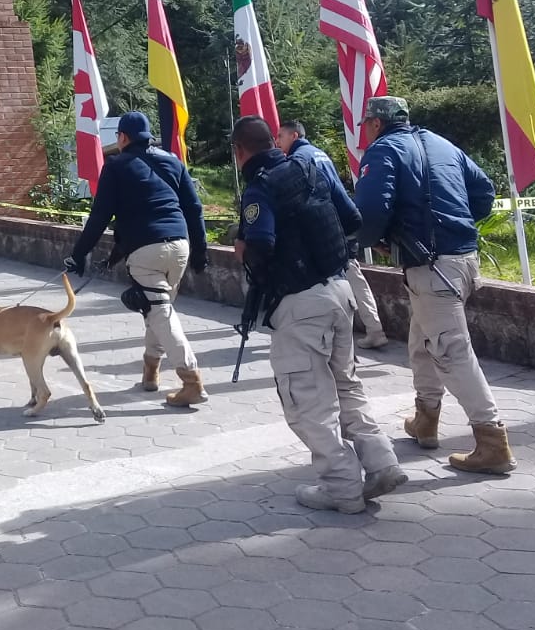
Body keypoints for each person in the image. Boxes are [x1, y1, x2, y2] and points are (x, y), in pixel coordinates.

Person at [232, 115, 406, 513]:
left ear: (240, 151)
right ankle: (381, 463)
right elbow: (353, 220)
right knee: (346, 386)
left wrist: (246, 253)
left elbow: (259, 243)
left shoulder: (260, 188)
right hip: (339, 291)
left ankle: (341, 487)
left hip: (299, 305)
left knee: (308, 402)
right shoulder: (312, 167)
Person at [354, 96, 514, 475]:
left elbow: (372, 210)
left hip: (431, 265)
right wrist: (454, 224)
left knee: (450, 351)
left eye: (365, 125)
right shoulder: (442, 143)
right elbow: (484, 193)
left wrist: (364, 240)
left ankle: (492, 440)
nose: (363, 131)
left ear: (376, 124)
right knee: (421, 341)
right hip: (461, 259)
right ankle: (426, 419)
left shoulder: (383, 150)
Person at [64, 111, 209, 407]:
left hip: (145, 253)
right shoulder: (172, 161)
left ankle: (192, 381)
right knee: (158, 311)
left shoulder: (116, 165)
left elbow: (99, 217)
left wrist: (79, 255)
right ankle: (150, 372)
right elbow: (194, 209)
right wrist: (201, 253)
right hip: (180, 247)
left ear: (123, 137)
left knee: (161, 314)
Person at [276, 120, 388, 349]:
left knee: (348, 279)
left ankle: (370, 331)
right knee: (353, 278)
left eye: (281, 136)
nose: (277, 141)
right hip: (341, 220)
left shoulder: (299, 160)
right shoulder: (318, 154)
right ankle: (371, 328)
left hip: (327, 228)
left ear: (294, 136)